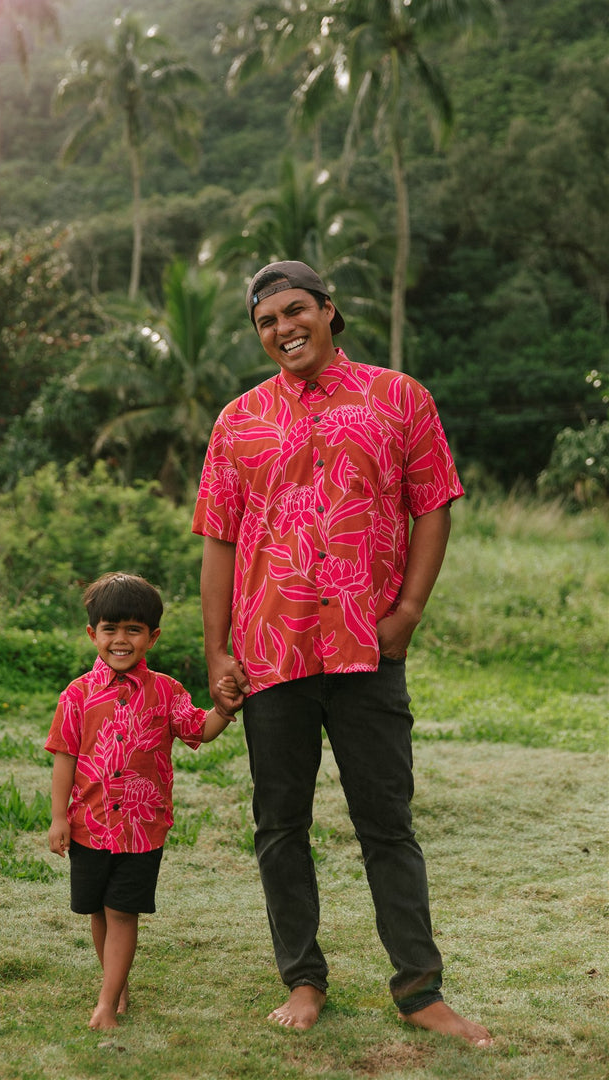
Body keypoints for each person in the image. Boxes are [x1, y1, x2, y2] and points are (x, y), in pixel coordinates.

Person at [192, 260, 492, 1045]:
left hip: (368, 649)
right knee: (280, 827)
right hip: (270, 654)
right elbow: (220, 542)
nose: (284, 328)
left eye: (296, 310)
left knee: (387, 824)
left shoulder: (400, 398)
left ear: (329, 310)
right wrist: (217, 651)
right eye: (267, 321)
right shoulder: (238, 421)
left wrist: (410, 611)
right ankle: (303, 978)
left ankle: (420, 990)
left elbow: (433, 506)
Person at [45, 571, 240, 1030]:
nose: (121, 639)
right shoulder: (76, 695)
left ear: (152, 636)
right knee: (96, 908)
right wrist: (58, 819)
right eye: (110, 629)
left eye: (133, 630)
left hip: (142, 829)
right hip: (88, 824)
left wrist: (226, 710)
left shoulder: (167, 691)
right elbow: (64, 758)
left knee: (122, 910)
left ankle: (106, 1002)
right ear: (93, 633)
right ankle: (116, 983)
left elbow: (199, 730)